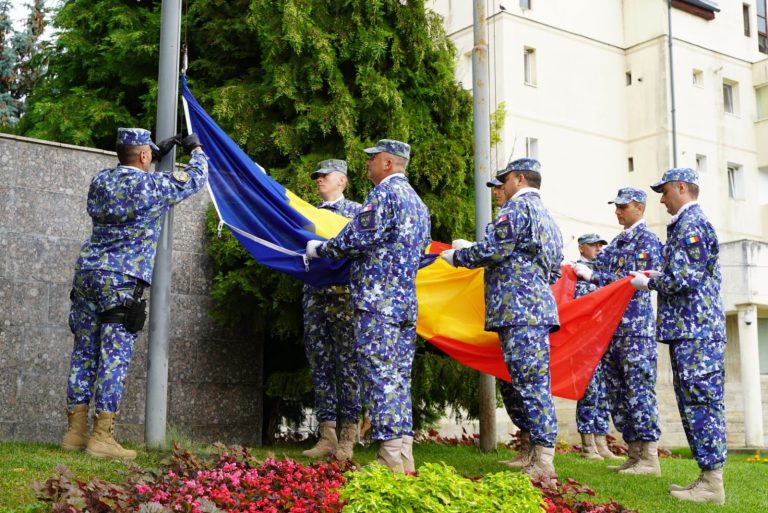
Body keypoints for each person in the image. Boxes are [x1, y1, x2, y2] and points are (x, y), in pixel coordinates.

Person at [62, 128, 207, 460]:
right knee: (114, 357)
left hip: (87, 274)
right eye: (148, 153)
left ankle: (74, 433)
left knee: (84, 352)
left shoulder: (100, 181)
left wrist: (151, 157)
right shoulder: (152, 186)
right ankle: (102, 437)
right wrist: (196, 149)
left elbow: (126, 181)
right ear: (143, 155)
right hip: (122, 281)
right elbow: (196, 179)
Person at [305, 139, 431, 473]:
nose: (367, 164)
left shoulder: (385, 195)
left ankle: (389, 457)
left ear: (388, 163)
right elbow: (420, 250)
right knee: (398, 378)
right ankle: (403, 455)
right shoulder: (418, 203)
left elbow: (356, 237)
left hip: (378, 302)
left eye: (373, 158)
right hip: (405, 303)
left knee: (380, 376)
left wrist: (321, 249)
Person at [441, 158, 563, 480]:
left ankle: (544, 463)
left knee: (531, 385)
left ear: (519, 179)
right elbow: (553, 271)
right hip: (532, 310)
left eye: (504, 179)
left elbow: (494, 251)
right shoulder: (548, 217)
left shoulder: (516, 209)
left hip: (519, 311)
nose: (501, 186)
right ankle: (537, 456)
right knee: (529, 383)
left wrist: (459, 255)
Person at [630, 168, 726, 504]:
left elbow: (684, 278)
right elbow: (685, 273)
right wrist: (659, 274)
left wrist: (650, 282)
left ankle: (713, 483)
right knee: (693, 403)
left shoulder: (692, 224)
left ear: (681, 188)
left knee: (702, 403)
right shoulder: (685, 224)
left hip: (697, 331)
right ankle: (707, 478)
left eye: (665, 191)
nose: (661, 199)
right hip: (689, 330)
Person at [574, 187, 663, 475]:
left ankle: (649, 457)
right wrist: (574, 268)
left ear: (640, 208)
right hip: (611, 329)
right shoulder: (617, 242)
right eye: (617, 206)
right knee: (618, 393)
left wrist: (593, 276)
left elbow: (632, 279)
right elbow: (597, 266)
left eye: (623, 206)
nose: (617, 211)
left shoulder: (648, 241)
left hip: (635, 331)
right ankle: (634, 454)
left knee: (639, 390)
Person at [300, 159, 362, 461]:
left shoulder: (357, 213)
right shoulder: (308, 214)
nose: (319, 179)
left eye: (325, 175)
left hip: (344, 298)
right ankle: (327, 435)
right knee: (320, 365)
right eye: (317, 176)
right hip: (315, 298)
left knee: (348, 367)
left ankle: (349, 437)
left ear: (342, 180)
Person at [570, 233, 619, 461]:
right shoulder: (575, 271)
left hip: (603, 338)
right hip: (585, 340)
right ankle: (588, 444)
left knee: (603, 392)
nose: (599, 249)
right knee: (589, 390)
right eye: (593, 245)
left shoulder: (602, 273)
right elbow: (581, 300)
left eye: (600, 245)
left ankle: (601, 441)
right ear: (582, 248)